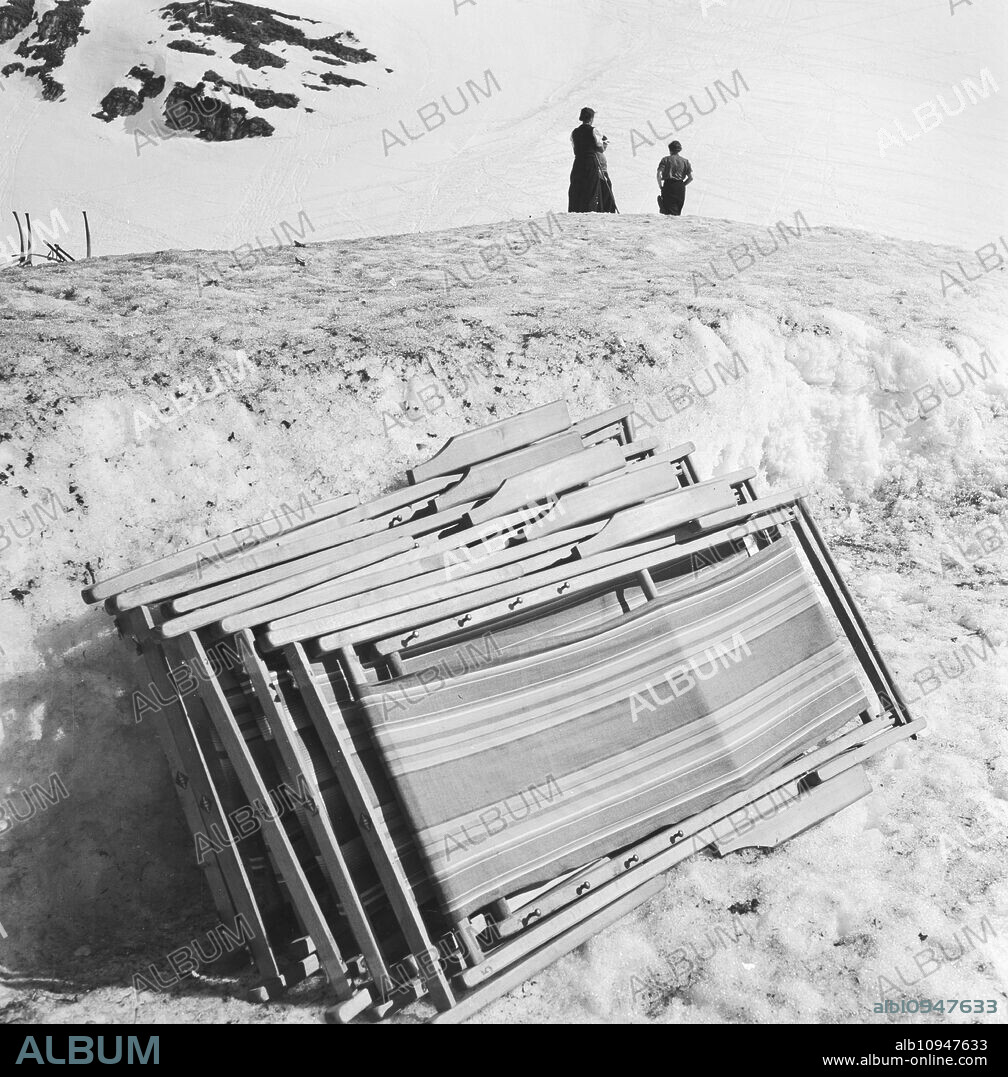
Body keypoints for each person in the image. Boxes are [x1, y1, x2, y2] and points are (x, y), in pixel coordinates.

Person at [568, 107, 618, 213]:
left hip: (578, 162)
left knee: (577, 186)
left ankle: (576, 210)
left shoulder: (574, 132)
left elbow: (575, 149)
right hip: (590, 161)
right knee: (590, 187)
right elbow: (600, 148)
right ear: (591, 118)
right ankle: (589, 210)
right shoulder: (593, 130)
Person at [657, 141, 693, 216]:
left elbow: (659, 174)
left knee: (668, 212)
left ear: (670, 149)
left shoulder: (665, 159)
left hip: (668, 185)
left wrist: (660, 186)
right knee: (677, 212)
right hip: (680, 187)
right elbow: (690, 178)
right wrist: (682, 185)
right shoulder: (685, 161)